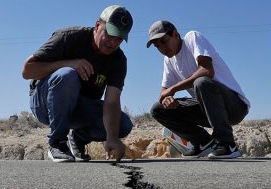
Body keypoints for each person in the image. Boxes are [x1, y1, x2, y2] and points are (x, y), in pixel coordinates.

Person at [21, 5, 134, 162]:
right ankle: (57, 143)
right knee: (67, 75)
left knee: (123, 124)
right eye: (109, 34)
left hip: (79, 108)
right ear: (97, 25)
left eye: (119, 38)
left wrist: (112, 138)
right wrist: (69, 63)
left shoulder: (118, 60)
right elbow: (27, 70)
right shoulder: (69, 37)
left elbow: (112, 101)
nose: (112, 42)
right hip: (44, 103)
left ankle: (78, 138)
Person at [146, 20, 250, 159]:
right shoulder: (169, 60)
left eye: (164, 42)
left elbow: (207, 71)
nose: (162, 49)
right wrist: (168, 100)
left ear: (176, 35)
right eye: (157, 46)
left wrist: (173, 89)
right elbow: (164, 92)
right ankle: (204, 143)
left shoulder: (192, 38)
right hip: (209, 109)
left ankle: (227, 144)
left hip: (234, 107)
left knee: (202, 82)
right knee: (158, 109)